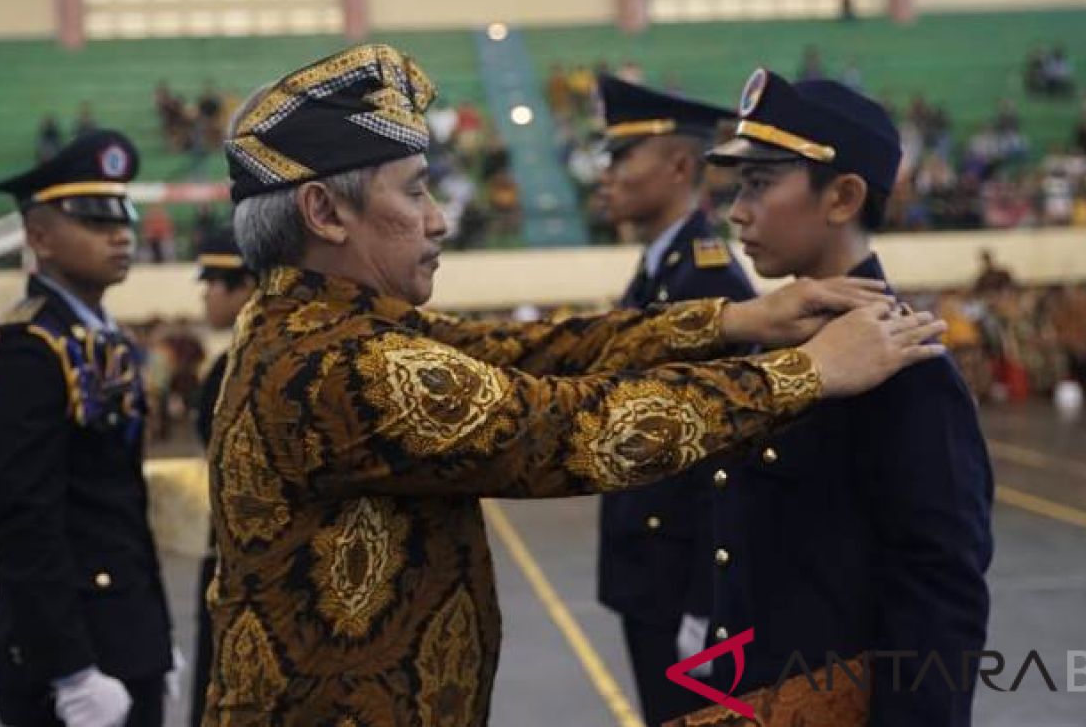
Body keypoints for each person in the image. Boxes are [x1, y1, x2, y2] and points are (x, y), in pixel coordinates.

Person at [203, 44, 947, 726]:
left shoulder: (324, 325)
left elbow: (534, 351)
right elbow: (568, 426)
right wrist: (807, 370)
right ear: (325, 212)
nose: (439, 222)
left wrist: (730, 320)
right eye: (416, 194)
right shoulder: (338, 365)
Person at [685, 68, 992, 725]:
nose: (738, 209)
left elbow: (938, 593)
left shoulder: (902, 361)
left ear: (843, 197)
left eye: (761, 183)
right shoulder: (781, 339)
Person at [0, 130, 176, 727]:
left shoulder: (102, 340)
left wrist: (153, 635)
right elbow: (23, 523)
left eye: (124, 217)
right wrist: (71, 669)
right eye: (92, 220)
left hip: (124, 637)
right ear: (38, 238)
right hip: (74, 659)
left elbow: (119, 509)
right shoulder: (24, 352)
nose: (120, 235)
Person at [595, 73, 757, 726]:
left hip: (684, 584)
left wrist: (709, 601)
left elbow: (730, 452)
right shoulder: (662, 270)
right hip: (651, 575)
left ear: (680, 165)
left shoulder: (707, 280)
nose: (606, 175)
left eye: (622, 157)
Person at [188, 228, 257, 727]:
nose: (205, 294)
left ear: (247, 285)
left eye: (214, 282)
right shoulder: (228, 362)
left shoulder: (243, 366)